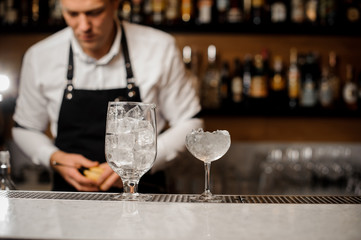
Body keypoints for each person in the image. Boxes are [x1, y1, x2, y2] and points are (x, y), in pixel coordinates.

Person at [12, 0, 203, 192]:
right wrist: (54, 158)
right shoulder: (39, 56)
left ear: (115, 4)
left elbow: (189, 122)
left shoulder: (159, 48)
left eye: (95, 13)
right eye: (72, 14)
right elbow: (25, 128)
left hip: (143, 193)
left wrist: (140, 164)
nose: (84, 26)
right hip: (68, 199)